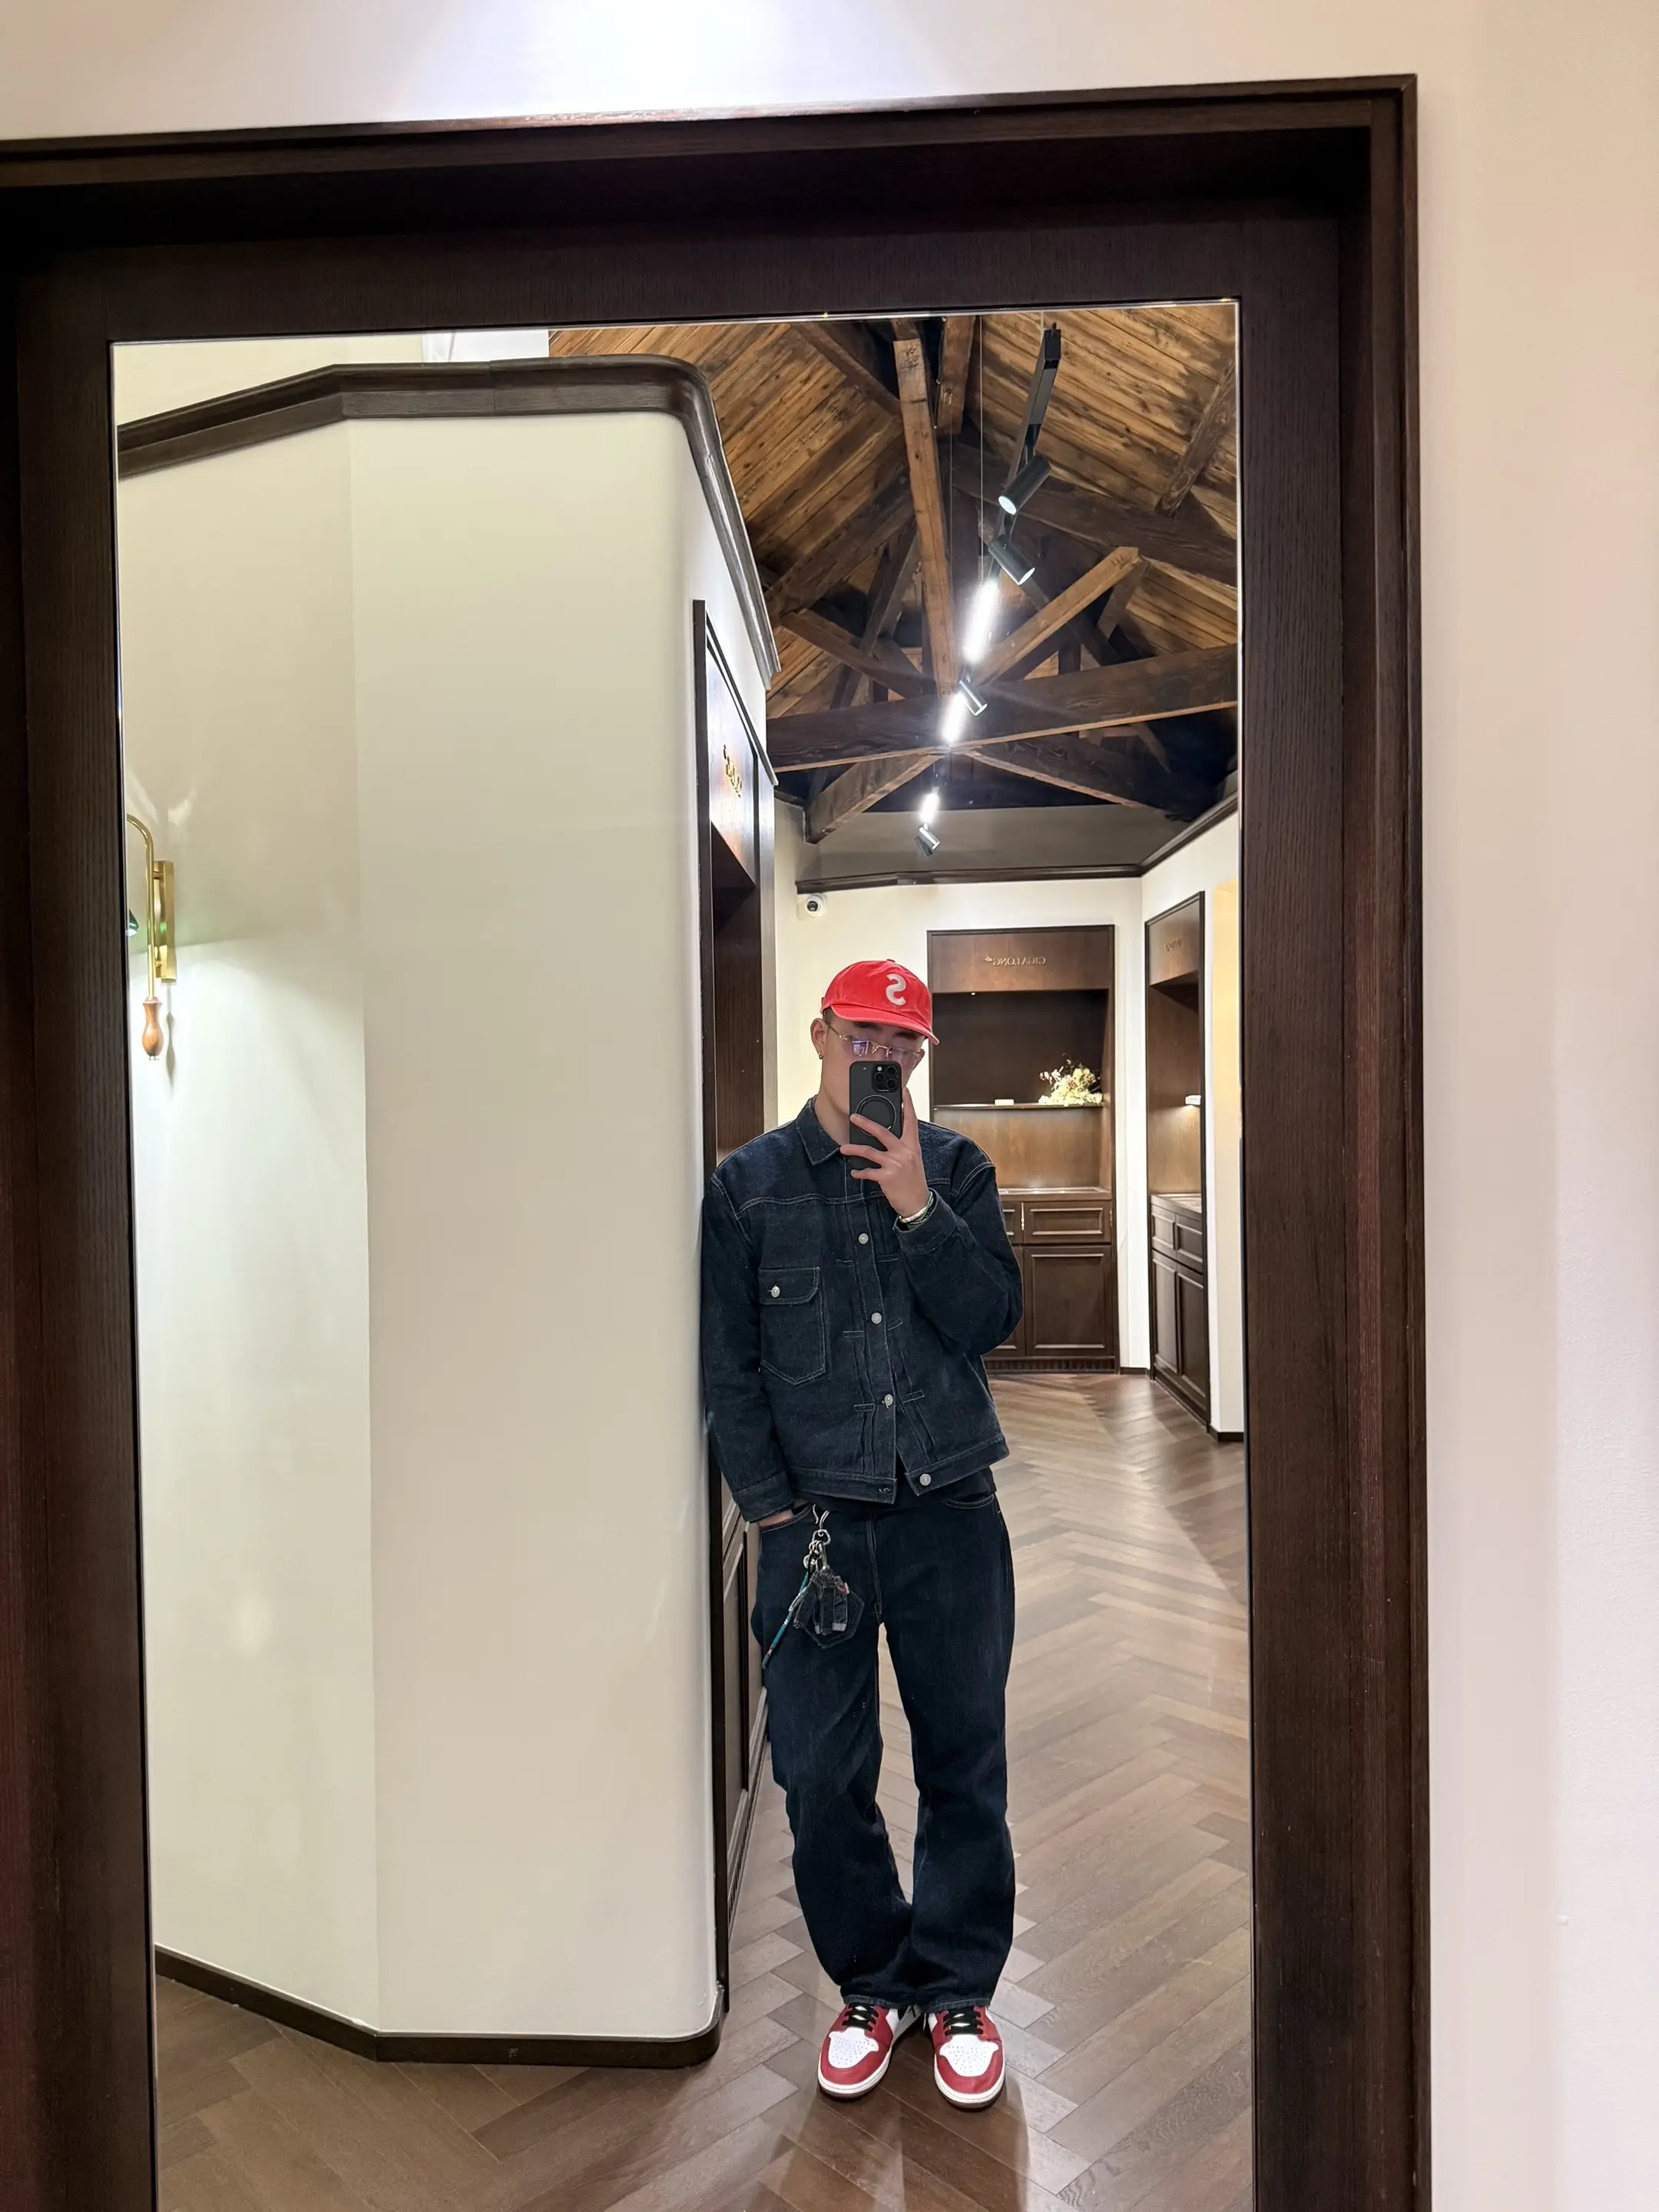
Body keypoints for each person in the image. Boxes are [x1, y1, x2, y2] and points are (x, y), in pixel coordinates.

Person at [700, 957, 1022, 2110]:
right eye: (862, 1036)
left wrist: (919, 1209)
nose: (879, 1057)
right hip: (815, 1529)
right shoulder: (749, 1187)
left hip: (950, 1511)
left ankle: (958, 1989)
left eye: (902, 1044)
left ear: (920, 1056)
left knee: (963, 1760)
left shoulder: (957, 1168)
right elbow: (729, 1369)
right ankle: (874, 1984)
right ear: (821, 1035)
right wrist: (771, 1509)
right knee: (820, 1775)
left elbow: (992, 1317)